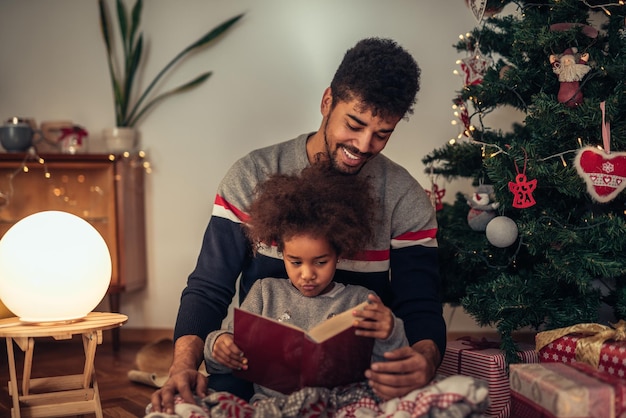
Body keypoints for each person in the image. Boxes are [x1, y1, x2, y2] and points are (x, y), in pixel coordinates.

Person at [150, 37, 446, 414]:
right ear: (327, 102)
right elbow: (209, 287)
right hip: (251, 378)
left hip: (354, 385)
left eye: (382, 133)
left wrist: (423, 359)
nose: (364, 145)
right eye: (354, 124)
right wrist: (182, 366)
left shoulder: (405, 198)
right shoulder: (251, 176)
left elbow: (420, 304)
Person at [204, 163, 408, 404]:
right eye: (295, 262)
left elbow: (390, 368)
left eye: (320, 262)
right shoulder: (264, 293)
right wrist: (218, 345)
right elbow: (223, 363)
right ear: (282, 253)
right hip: (274, 407)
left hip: (343, 405)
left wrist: (391, 331)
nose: (308, 274)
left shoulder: (360, 300)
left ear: (338, 254)